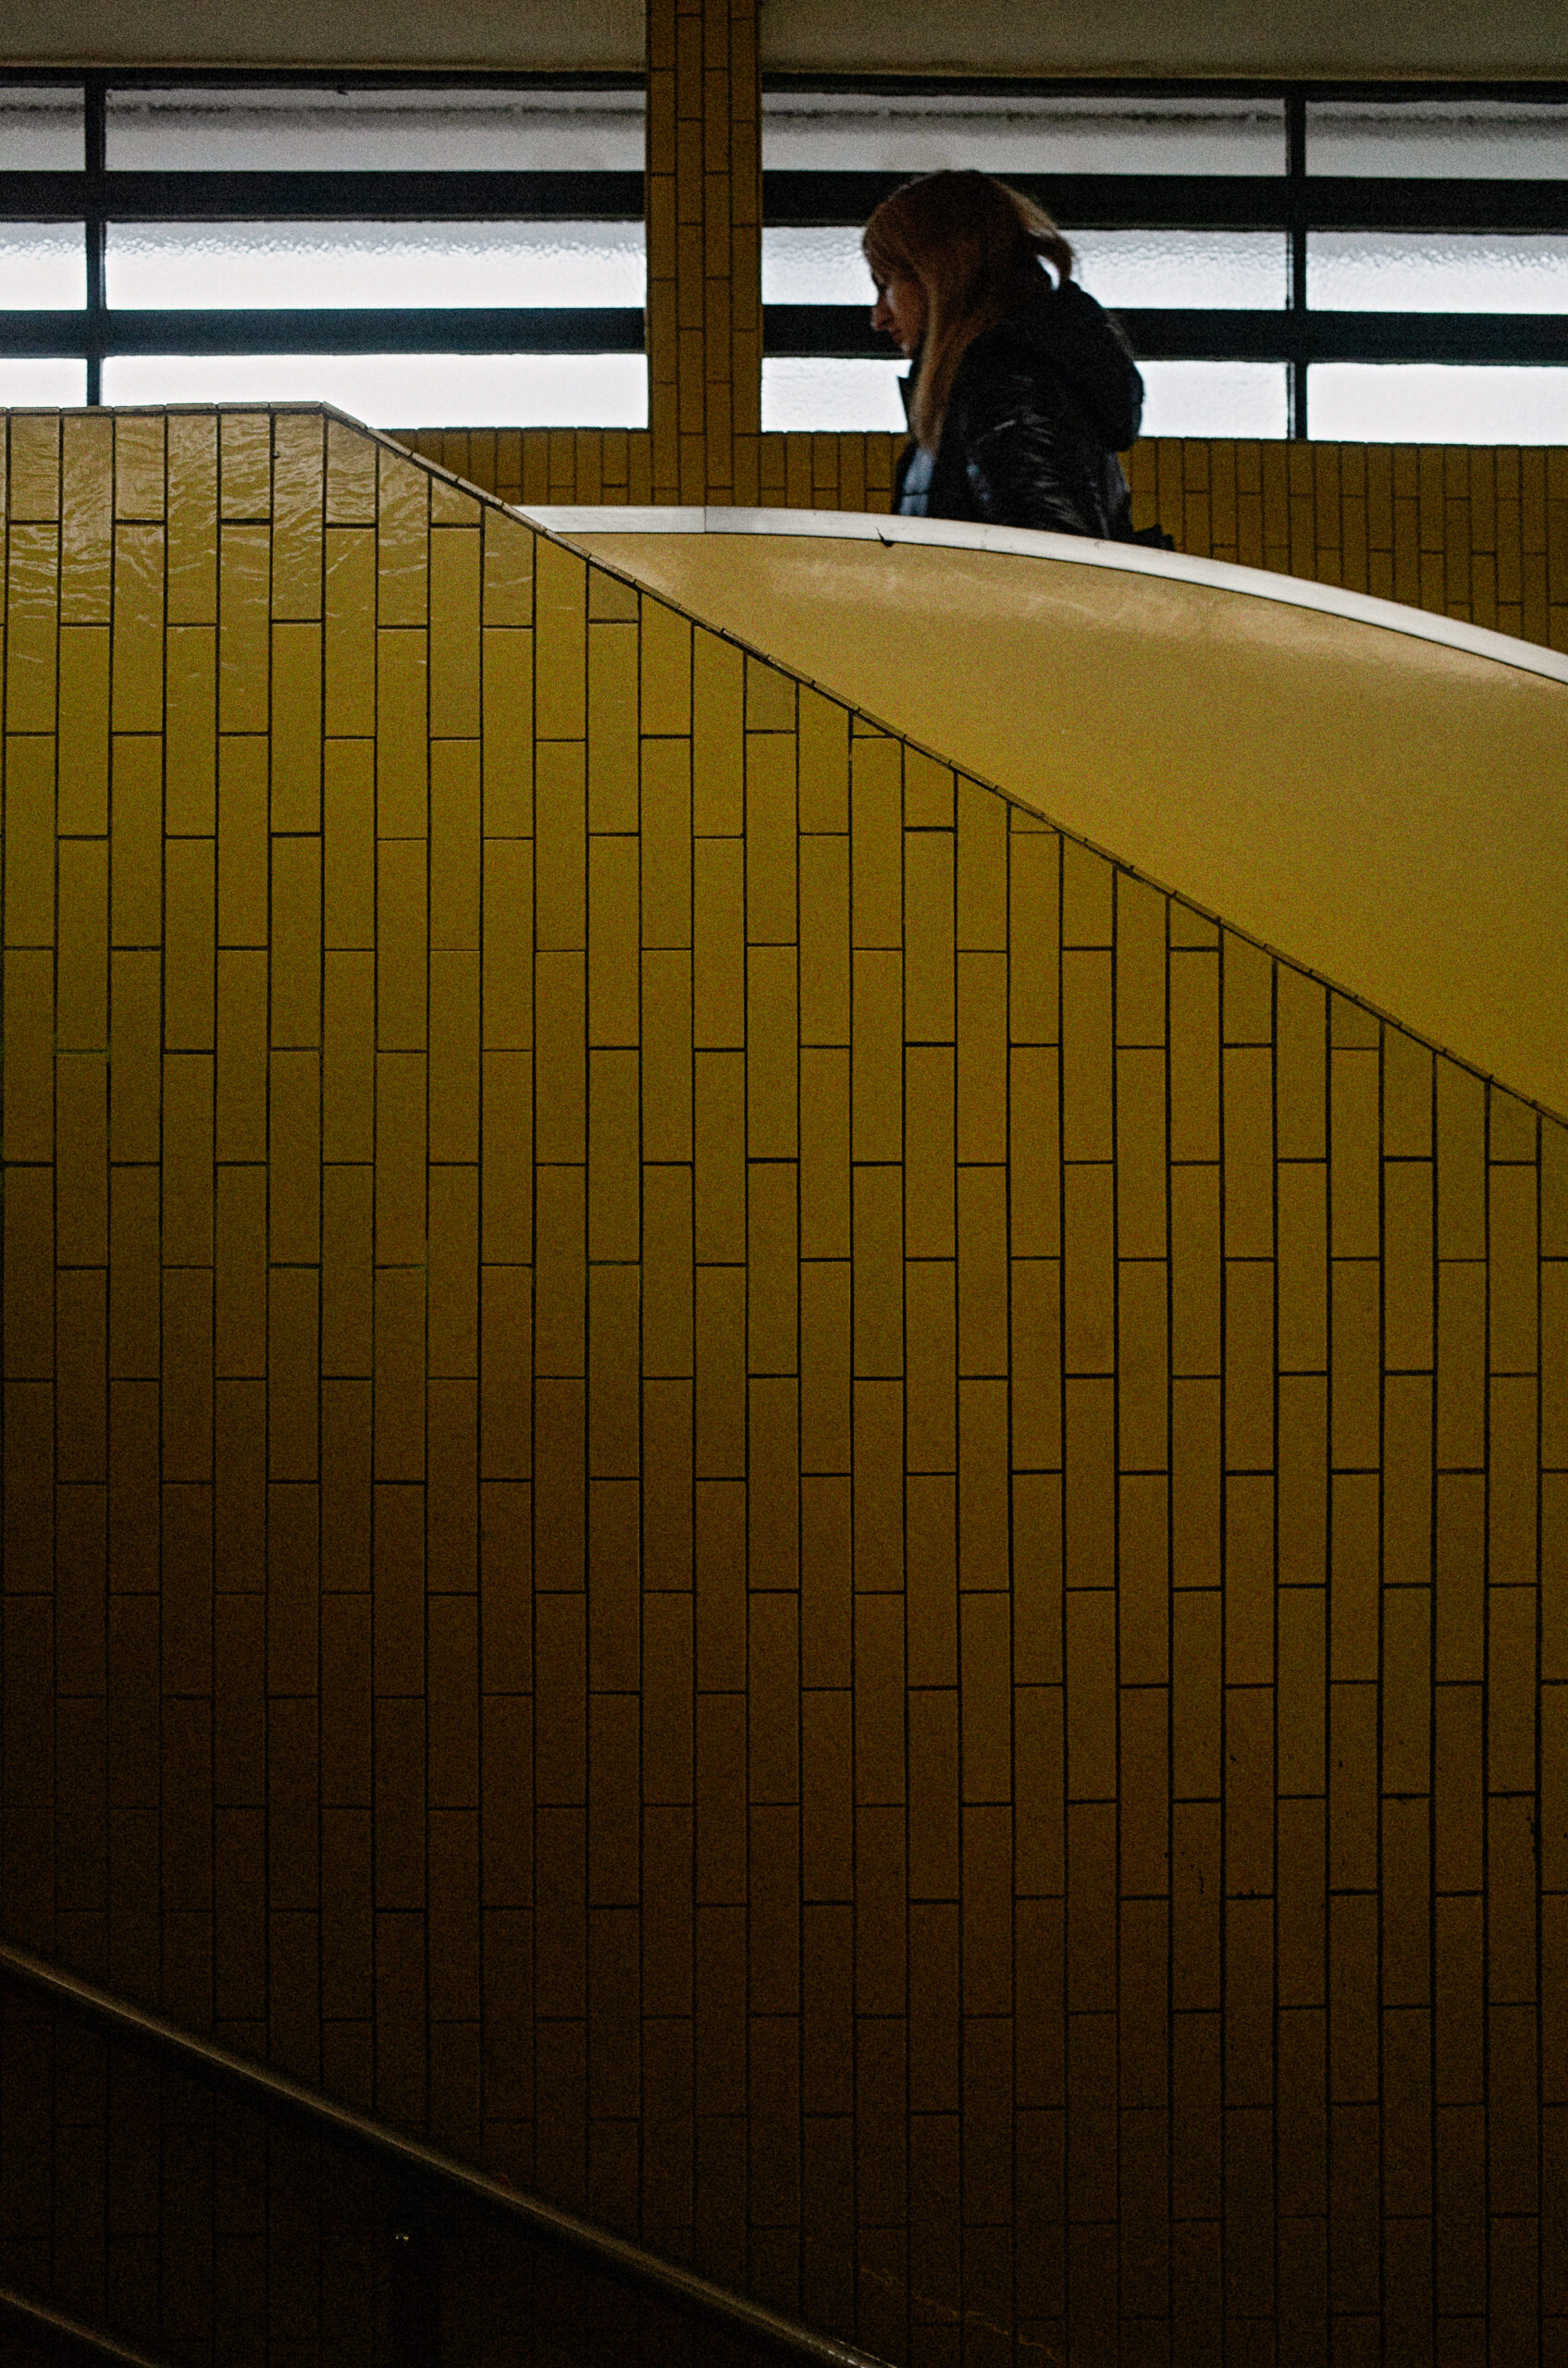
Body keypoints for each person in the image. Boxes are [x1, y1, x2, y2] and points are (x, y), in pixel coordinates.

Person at [864, 168, 1167, 546]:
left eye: (886, 284)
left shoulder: (1004, 392)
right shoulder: (998, 387)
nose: (878, 318)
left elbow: (1053, 569)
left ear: (937, 278)